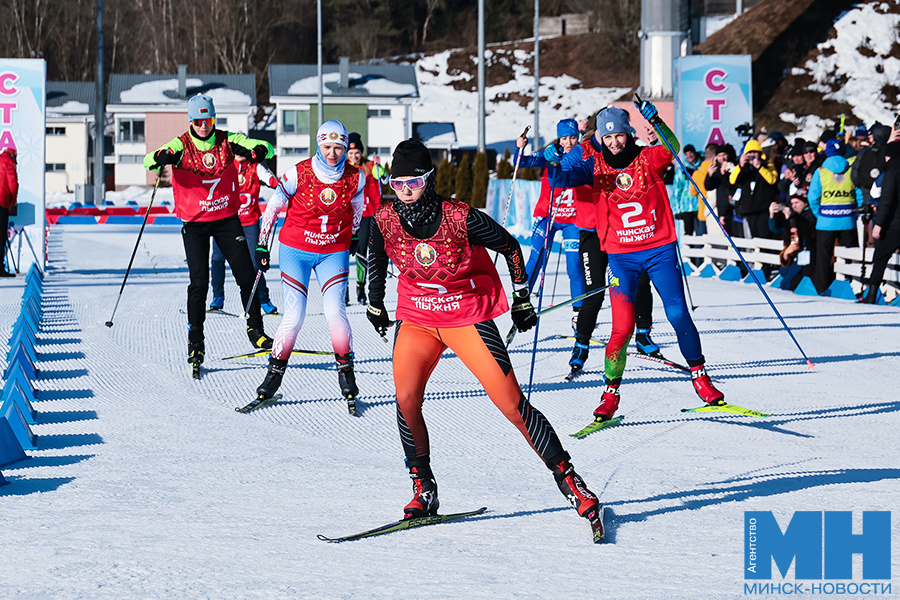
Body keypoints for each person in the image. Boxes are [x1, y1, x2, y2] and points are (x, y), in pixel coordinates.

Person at [365, 138, 602, 530]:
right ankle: (423, 487)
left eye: (414, 182)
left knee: (512, 405)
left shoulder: (461, 217)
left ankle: (570, 481)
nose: (405, 191)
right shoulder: (384, 219)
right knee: (406, 400)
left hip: (466, 316)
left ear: (430, 179)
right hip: (418, 318)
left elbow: (510, 247)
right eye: (397, 182)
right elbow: (373, 253)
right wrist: (375, 302)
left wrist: (522, 296)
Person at [553, 104, 725, 422]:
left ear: (628, 133)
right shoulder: (596, 165)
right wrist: (561, 157)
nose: (615, 142)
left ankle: (700, 377)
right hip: (622, 257)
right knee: (622, 328)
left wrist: (656, 120)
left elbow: (671, 147)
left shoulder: (647, 157)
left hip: (659, 249)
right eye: (608, 137)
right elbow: (563, 177)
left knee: (677, 313)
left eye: (619, 134)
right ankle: (611, 394)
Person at [143, 94, 274, 369]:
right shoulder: (181, 143)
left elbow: (265, 146)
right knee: (199, 283)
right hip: (195, 223)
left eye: (209, 120)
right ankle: (196, 342)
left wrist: (260, 151)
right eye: (199, 121)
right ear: (191, 121)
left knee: (246, 275)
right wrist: (161, 157)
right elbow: (148, 161)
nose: (205, 126)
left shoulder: (227, 140)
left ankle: (256, 331)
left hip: (227, 218)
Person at [253, 120, 365, 404]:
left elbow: (357, 207)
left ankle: (347, 375)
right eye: (326, 147)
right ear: (318, 145)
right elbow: (274, 207)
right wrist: (262, 245)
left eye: (338, 147)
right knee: (295, 315)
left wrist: (352, 236)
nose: (332, 154)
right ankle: (273, 376)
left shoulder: (356, 177)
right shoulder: (298, 173)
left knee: (335, 312)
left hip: (332, 251)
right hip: (296, 251)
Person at [514, 118, 588, 330]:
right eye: (564, 137)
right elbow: (522, 163)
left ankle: (578, 312)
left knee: (574, 266)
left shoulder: (582, 154)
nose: (568, 142)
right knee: (536, 259)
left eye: (573, 137)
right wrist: (520, 149)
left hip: (572, 220)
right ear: (559, 138)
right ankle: (523, 304)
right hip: (547, 217)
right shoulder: (550, 153)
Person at [209, 155, 280, 314]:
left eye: (243, 149)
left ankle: (263, 300)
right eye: (236, 150)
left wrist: (279, 186)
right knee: (218, 258)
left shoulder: (255, 167)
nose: (240, 153)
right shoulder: (224, 164)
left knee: (255, 261)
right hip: (224, 221)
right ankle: (217, 298)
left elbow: (269, 179)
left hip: (249, 222)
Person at [807, 138, 863, 294]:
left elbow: (813, 197)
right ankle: (851, 287)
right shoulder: (851, 170)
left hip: (826, 221)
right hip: (848, 221)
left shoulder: (820, 172)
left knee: (824, 258)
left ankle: (822, 288)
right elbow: (858, 194)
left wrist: (820, 215)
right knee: (849, 256)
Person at [346, 132, 382, 305]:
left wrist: (379, 167)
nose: (354, 156)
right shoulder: (342, 166)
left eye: (357, 153)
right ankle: (342, 290)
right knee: (343, 253)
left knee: (361, 252)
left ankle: (361, 287)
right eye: (351, 153)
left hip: (367, 214)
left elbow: (382, 177)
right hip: (346, 215)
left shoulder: (369, 166)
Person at [862, 141, 900, 304]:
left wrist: (879, 225)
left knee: (880, 259)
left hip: (893, 224)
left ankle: (871, 295)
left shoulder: (891, 173)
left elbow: (886, 201)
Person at [729, 139, 779, 239]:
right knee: (751, 238)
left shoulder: (768, 166)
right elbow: (732, 181)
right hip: (749, 211)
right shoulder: (744, 169)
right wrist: (740, 166)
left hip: (763, 210)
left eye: (754, 152)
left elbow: (772, 180)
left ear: (760, 153)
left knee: (764, 237)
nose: (752, 155)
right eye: (749, 153)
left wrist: (760, 167)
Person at [705, 144, 740, 237]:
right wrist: (710, 175)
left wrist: (723, 173)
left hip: (735, 208)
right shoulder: (716, 169)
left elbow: (731, 185)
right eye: (719, 155)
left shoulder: (734, 168)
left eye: (724, 155)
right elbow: (708, 186)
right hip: (722, 209)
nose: (722, 158)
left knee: (737, 236)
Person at [671, 144, 702, 236]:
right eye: (687, 154)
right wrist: (676, 210)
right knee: (688, 232)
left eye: (691, 153)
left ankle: (701, 249)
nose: (689, 156)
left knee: (701, 232)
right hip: (686, 206)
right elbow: (677, 191)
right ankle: (689, 249)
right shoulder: (681, 170)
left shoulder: (701, 168)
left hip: (699, 205)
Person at [0, 145, 17, 277]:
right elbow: (13, 184)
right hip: (2, 201)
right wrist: (13, 200)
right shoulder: (9, 162)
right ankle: (0, 267)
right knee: (1, 235)